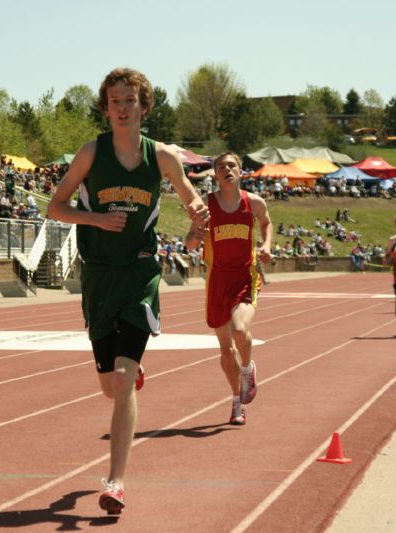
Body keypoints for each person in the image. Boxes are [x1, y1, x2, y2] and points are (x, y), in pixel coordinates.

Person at [46, 68, 209, 516]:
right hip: (98, 278)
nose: (122, 108)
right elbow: (55, 207)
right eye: (114, 101)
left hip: (139, 274)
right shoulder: (90, 154)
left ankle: (116, 481)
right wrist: (95, 219)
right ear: (105, 107)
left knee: (120, 381)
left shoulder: (161, 157)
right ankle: (127, 376)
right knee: (109, 387)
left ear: (144, 107)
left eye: (130, 101)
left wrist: (197, 215)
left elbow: (190, 199)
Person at [185, 152, 273, 426]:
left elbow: (266, 223)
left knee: (239, 330)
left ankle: (247, 369)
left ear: (240, 170)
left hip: (245, 276)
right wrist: (196, 236)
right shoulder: (207, 206)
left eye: (231, 165)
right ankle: (237, 402)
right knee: (225, 351)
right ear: (215, 174)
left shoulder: (254, 202)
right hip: (217, 280)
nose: (226, 169)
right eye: (220, 167)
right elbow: (189, 243)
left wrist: (267, 246)